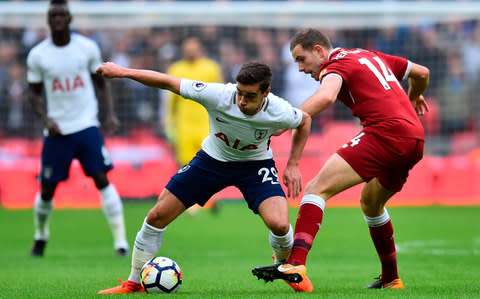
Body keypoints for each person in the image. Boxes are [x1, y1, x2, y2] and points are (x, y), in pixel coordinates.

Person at [95, 61, 311, 294]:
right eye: (239, 93)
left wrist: (293, 163)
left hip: (254, 165)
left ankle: (285, 268)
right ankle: (133, 282)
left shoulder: (279, 109)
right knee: (157, 216)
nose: (241, 101)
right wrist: (122, 72)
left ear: (266, 93)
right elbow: (167, 81)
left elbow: (305, 120)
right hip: (211, 162)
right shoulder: (218, 95)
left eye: (250, 96)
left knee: (280, 224)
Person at [252, 28, 430, 292]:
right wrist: (413, 96)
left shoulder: (335, 64)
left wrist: (288, 120)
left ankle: (296, 263)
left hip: (386, 133)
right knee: (371, 204)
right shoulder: (369, 55)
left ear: (318, 51)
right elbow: (422, 73)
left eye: (302, 59)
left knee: (315, 189)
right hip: (415, 138)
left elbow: (326, 96)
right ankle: (391, 278)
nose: (301, 68)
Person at [26, 0, 128, 257]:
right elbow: (34, 93)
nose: (58, 18)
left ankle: (121, 243)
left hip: (86, 125)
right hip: (57, 130)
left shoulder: (87, 48)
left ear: (69, 19)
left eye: (62, 14)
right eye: (53, 15)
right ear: (48, 20)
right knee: (47, 189)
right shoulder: (38, 55)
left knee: (102, 179)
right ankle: (40, 236)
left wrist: (110, 114)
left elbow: (101, 84)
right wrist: (46, 120)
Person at [165, 37, 224, 213]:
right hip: (184, 124)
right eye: (187, 49)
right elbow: (171, 101)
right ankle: (191, 204)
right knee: (186, 164)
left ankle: (211, 198)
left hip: (206, 122)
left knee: (211, 162)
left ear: (200, 49)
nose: (190, 52)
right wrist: (170, 123)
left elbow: (221, 95)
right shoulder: (176, 69)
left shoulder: (211, 68)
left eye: (193, 48)